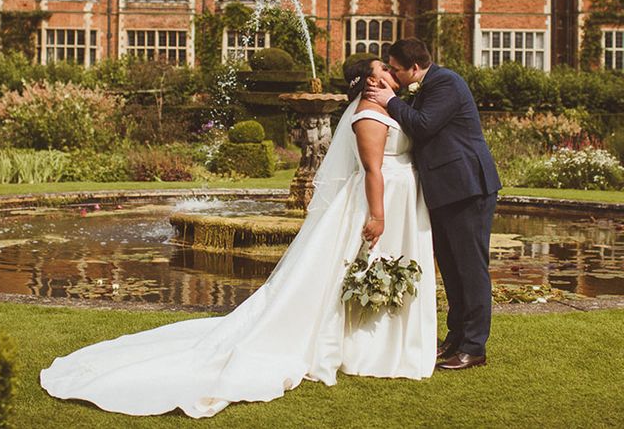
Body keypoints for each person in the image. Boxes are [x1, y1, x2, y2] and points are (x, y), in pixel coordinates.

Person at [40, 57, 436, 418]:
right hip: (370, 206)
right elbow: (372, 170)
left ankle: (366, 344)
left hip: (388, 201)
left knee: (351, 273)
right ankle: (346, 345)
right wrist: (378, 215)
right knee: (340, 276)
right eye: (384, 68)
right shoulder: (367, 115)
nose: (391, 71)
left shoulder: (388, 108)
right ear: (370, 80)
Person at [365, 38, 501, 371]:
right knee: (452, 270)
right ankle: (455, 339)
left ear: (414, 67)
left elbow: (423, 124)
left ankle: (474, 347)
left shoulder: (446, 82)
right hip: (445, 189)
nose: (392, 74)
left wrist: (390, 100)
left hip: (468, 187)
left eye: (395, 68)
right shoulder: (426, 86)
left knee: (470, 270)